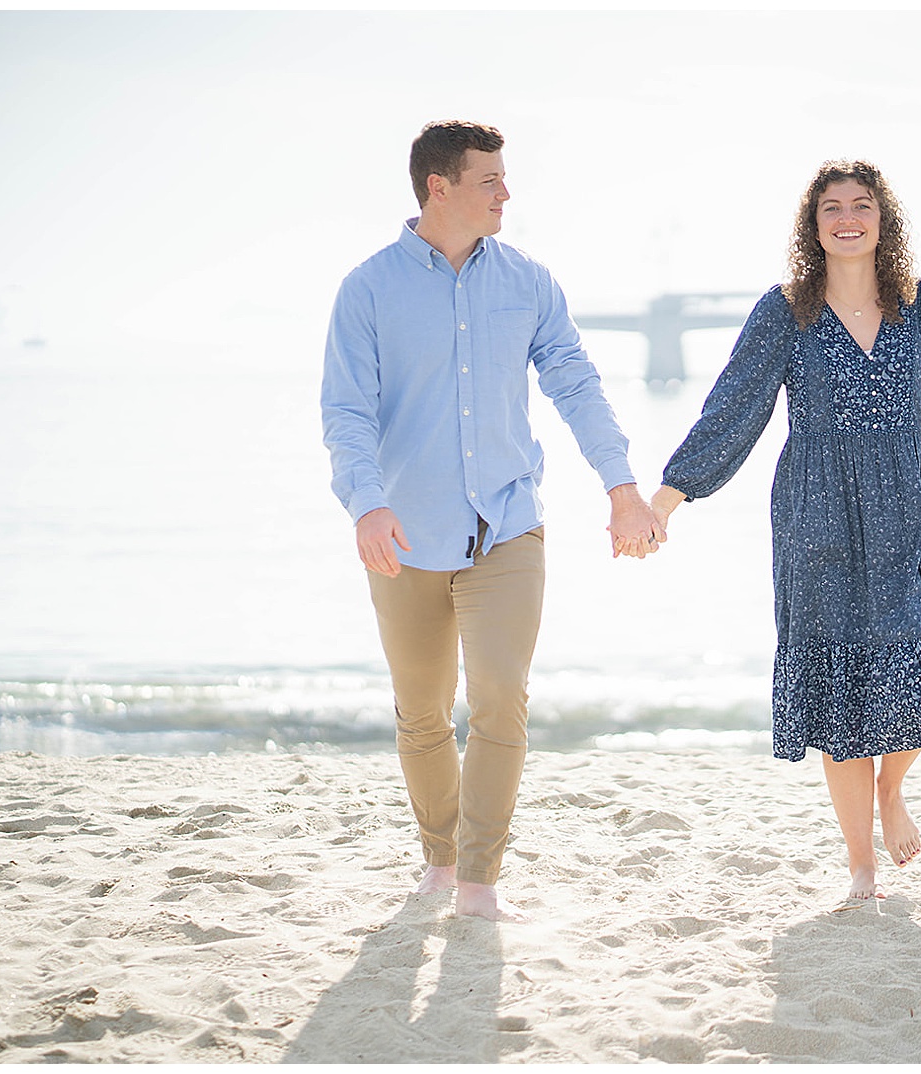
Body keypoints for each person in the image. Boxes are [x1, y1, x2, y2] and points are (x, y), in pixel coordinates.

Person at [650, 160, 921, 904]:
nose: (848, 217)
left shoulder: (919, 307)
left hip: (910, 508)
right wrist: (670, 498)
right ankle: (860, 864)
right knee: (837, 691)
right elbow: (735, 405)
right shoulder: (785, 310)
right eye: (832, 207)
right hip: (817, 514)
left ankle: (893, 788)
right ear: (815, 224)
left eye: (862, 205)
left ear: (882, 221)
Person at [321, 120, 664, 922]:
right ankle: (439, 860)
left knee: (502, 694)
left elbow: (575, 384)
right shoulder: (367, 289)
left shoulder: (529, 281)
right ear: (440, 187)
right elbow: (346, 412)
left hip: (508, 526)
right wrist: (366, 503)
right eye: (490, 180)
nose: (506, 193)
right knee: (423, 709)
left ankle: (478, 880)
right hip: (404, 535)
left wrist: (621, 487)